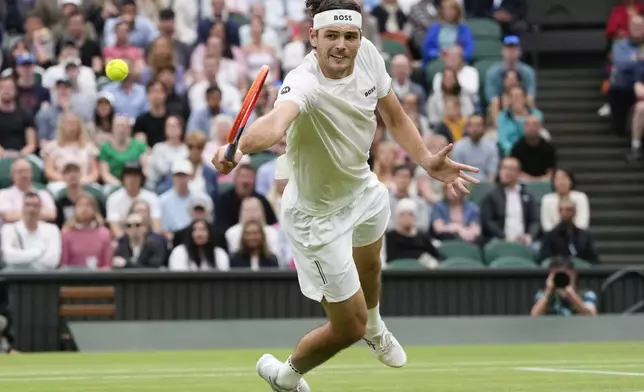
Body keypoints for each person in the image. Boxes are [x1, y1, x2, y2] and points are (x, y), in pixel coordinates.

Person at [212, 0, 479, 390]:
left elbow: (396, 116)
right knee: (346, 326)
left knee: (370, 267)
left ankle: (376, 326)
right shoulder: (303, 81)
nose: (342, 45)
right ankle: (285, 375)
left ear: (360, 37)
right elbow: (273, 126)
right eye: (332, 37)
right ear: (314, 39)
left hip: (362, 190)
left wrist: (425, 160)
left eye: (350, 36)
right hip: (316, 219)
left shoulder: (369, 55)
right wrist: (236, 150)